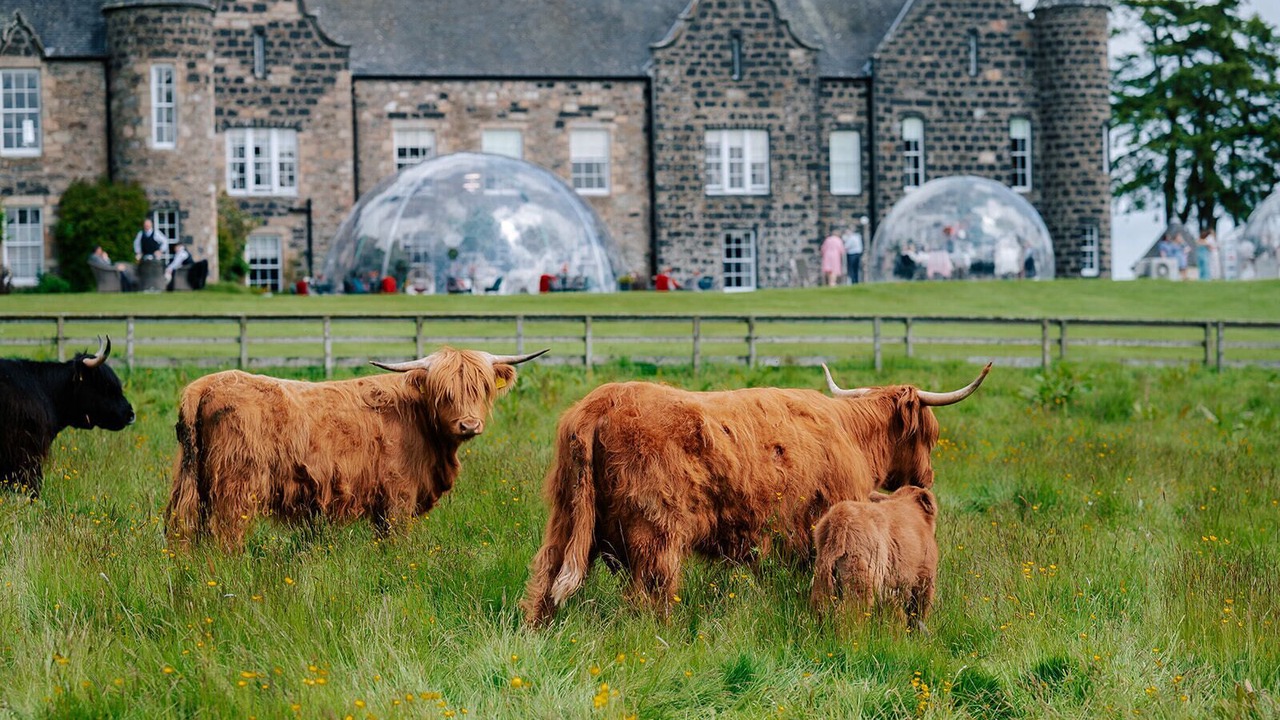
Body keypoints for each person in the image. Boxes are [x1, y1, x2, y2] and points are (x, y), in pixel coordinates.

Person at [843, 219, 865, 285]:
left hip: (852, 254)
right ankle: (856, 280)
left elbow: (847, 246)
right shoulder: (857, 237)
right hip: (857, 254)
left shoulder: (852, 238)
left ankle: (853, 281)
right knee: (856, 269)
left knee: (852, 269)